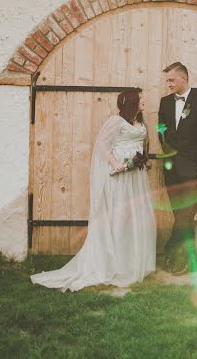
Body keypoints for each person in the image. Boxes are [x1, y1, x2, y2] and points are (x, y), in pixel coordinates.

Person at [31, 90, 156, 291]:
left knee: (135, 216)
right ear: (132, 102)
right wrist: (116, 163)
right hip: (120, 176)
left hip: (136, 177)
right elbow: (102, 146)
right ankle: (114, 264)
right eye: (141, 99)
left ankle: (132, 263)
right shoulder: (116, 121)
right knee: (120, 216)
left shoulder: (141, 123)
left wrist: (144, 161)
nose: (144, 102)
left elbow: (142, 146)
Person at [158, 62, 197, 275]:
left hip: (194, 171)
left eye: (171, 80)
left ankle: (175, 254)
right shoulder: (164, 103)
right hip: (171, 169)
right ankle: (184, 258)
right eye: (167, 81)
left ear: (183, 79)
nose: (169, 84)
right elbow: (161, 130)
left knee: (186, 214)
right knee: (181, 215)